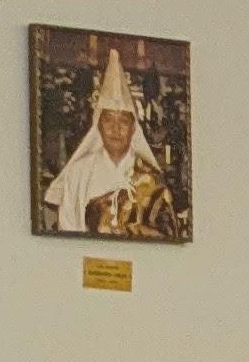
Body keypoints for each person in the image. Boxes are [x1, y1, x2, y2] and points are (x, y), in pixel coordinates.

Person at [43, 46, 177, 239]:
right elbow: (67, 229)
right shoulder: (78, 172)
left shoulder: (151, 179)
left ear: (133, 129)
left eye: (123, 121)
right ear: (98, 126)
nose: (116, 129)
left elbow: (164, 236)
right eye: (108, 120)